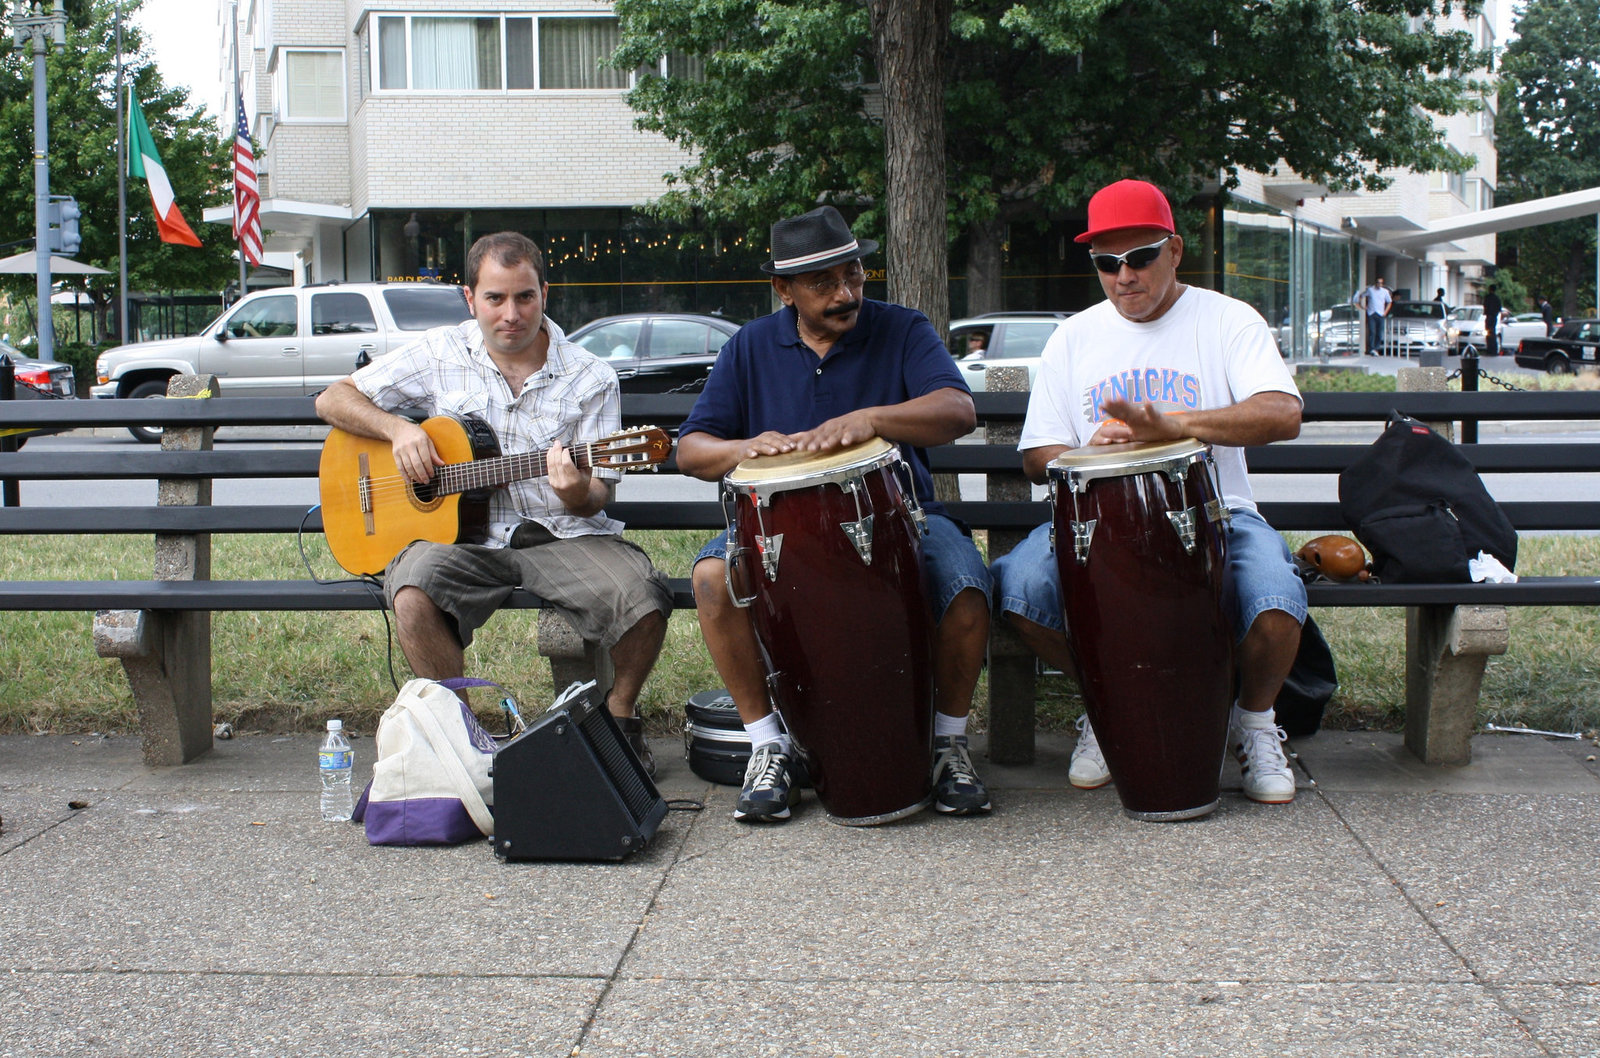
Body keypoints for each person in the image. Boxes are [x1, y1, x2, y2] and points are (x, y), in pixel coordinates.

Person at [990, 179, 1307, 805]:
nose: (1123, 275)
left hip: (1215, 514)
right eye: (1107, 263)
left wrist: (1175, 427)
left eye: (1139, 257)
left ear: (1175, 251)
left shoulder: (1227, 320)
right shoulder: (1074, 338)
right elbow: (1036, 456)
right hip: (1092, 524)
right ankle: (1112, 708)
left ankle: (1255, 723)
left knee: (1274, 603)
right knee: (1021, 591)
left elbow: (1281, 412)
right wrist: (1091, 452)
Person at [676, 205, 993, 823]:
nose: (846, 293)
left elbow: (958, 410)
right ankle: (769, 746)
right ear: (783, 290)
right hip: (777, 535)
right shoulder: (749, 347)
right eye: (824, 284)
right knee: (712, 581)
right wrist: (743, 448)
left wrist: (875, 418)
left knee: (965, 588)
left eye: (853, 275)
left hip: (903, 518)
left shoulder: (901, 329)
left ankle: (945, 745)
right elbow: (691, 449)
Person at [314, 232, 674, 772]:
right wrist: (397, 432)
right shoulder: (441, 352)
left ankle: (619, 720)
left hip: (562, 535)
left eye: (524, 297)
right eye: (495, 298)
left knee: (644, 598)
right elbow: (333, 398)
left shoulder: (590, 376)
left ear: (544, 294)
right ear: (469, 298)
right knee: (412, 591)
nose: (511, 313)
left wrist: (579, 492)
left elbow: (599, 491)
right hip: (463, 540)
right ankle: (464, 743)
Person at [1361, 276, 1392, 354]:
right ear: (1375, 283)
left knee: (1379, 332)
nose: (1379, 284)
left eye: (1381, 283)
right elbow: (1362, 296)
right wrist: (1364, 306)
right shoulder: (1370, 290)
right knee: (1372, 331)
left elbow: (1389, 302)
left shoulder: (1385, 291)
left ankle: (1376, 348)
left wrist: (1385, 312)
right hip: (1372, 313)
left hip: (1380, 314)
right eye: (1378, 282)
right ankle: (1371, 348)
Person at [1482, 287, 1503, 357]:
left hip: (1489, 317)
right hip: (1494, 317)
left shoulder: (1487, 297)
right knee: (1492, 333)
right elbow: (1499, 308)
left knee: (1488, 333)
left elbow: (1485, 306)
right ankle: (1494, 349)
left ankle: (1489, 349)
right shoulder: (1497, 298)